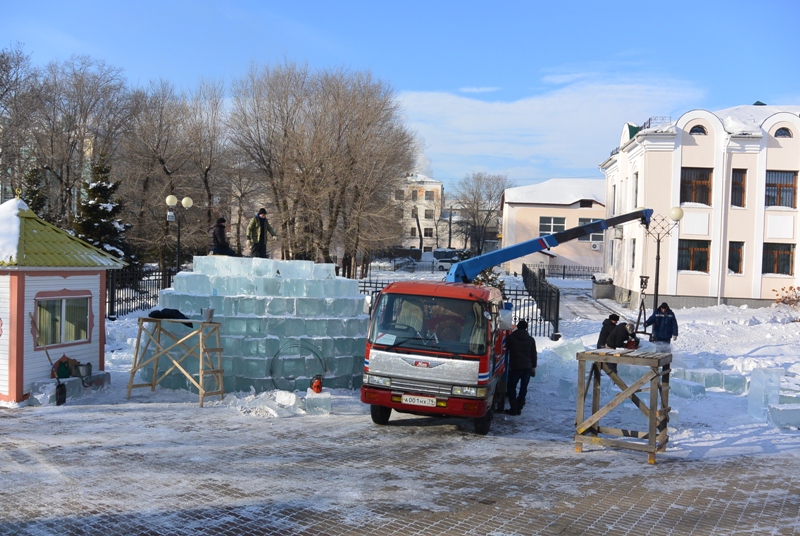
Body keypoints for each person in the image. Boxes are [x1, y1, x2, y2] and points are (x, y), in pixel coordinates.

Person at [504, 319, 537, 416]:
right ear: (526, 328)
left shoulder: (511, 338)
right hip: (527, 367)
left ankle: (513, 407)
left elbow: (506, 349)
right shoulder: (531, 339)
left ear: (517, 327)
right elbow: (533, 354)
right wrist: (533, 367)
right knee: (523, 387)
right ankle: (519, 407)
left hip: (515, 367)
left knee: (511, 387)